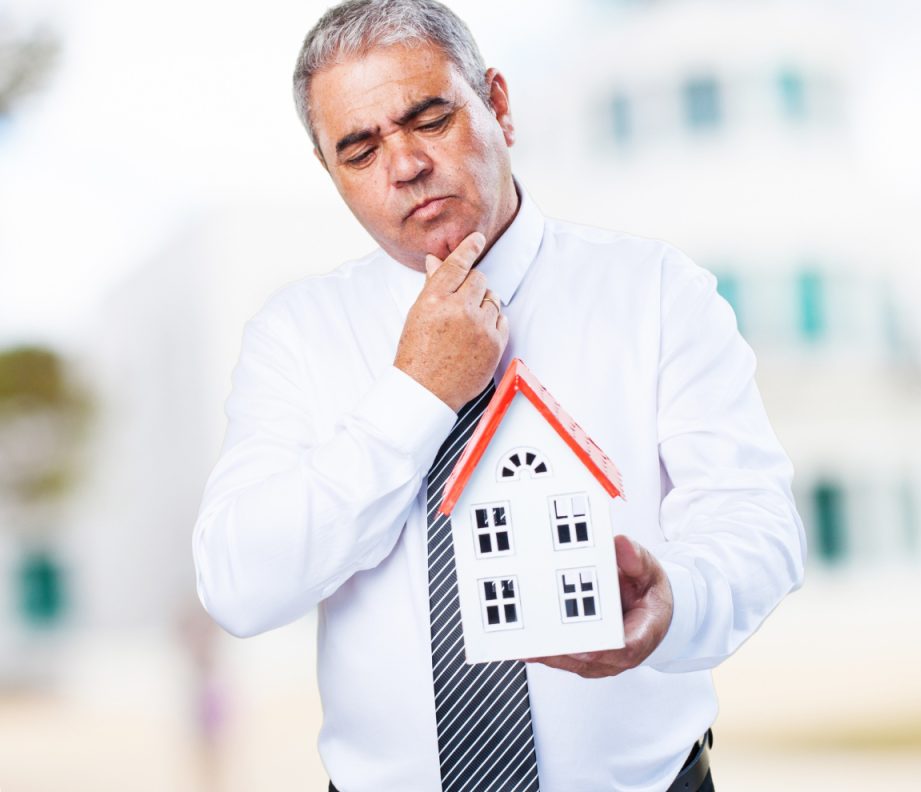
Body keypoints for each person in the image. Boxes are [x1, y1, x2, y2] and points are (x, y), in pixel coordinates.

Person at [191, 1, 806, 790]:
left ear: (500, 106)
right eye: (360, 148)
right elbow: (241, 586)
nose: (405, 164)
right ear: (331, 173)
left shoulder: (655, 292)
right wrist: (419, 392)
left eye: (430, 119)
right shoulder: (294, 336)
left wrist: (677, 598)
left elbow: (756, 521)